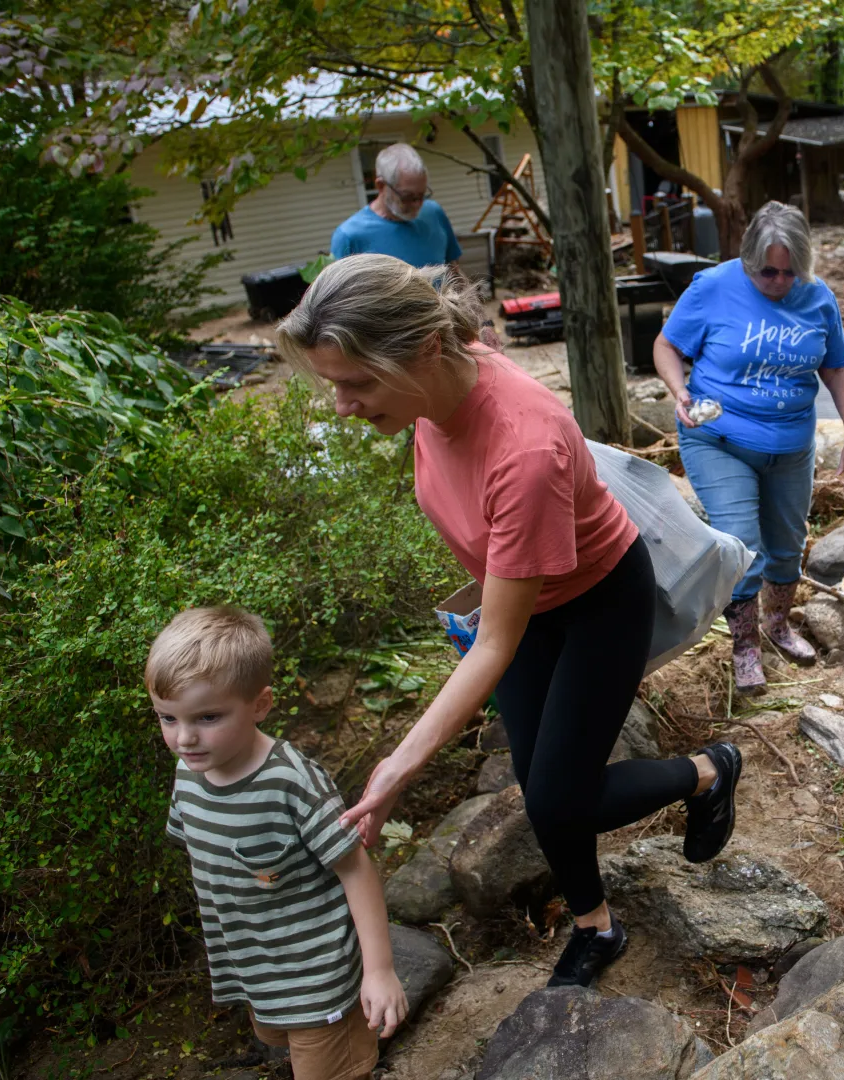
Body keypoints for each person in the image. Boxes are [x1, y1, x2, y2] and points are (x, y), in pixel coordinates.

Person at [275, 254, 742, 989]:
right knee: (540, 785)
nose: (342, 405)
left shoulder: (522, 446)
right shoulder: (438, 380)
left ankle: (710, 771)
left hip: (597, 599)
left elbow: (497, 641)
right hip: (528, 598)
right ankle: (599, 925)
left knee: (562, 798)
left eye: (356, 383)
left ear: (424, 349)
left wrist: (398, 766)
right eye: (336, 384)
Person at [149, 606, 407, 1080]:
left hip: (320, 979)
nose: (185, 738)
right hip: (260, 975)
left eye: (208, 717)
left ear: (260, 704)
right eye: (167, 718)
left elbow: (355, 868)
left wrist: (379, 970)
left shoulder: (291, 782)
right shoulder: (188, 774)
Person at [652, 201, 844, 694]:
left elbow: (837, 368)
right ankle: (745, 646)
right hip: (720, 437)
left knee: (787, 547)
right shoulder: (712, 287)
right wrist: (680, 391)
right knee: (742, 544)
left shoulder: (817, 298)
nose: (779, 281)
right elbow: (667, 346)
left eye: (790, 272)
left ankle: (778, 625)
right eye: (767, 271)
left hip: (790, 444)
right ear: (747, 261)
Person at [330, 142, 463, 270]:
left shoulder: (434, 213)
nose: (417, 204)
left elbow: (453, 270)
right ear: (381, 186)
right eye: (407, 197)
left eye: (422, 195)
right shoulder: (349, 236)